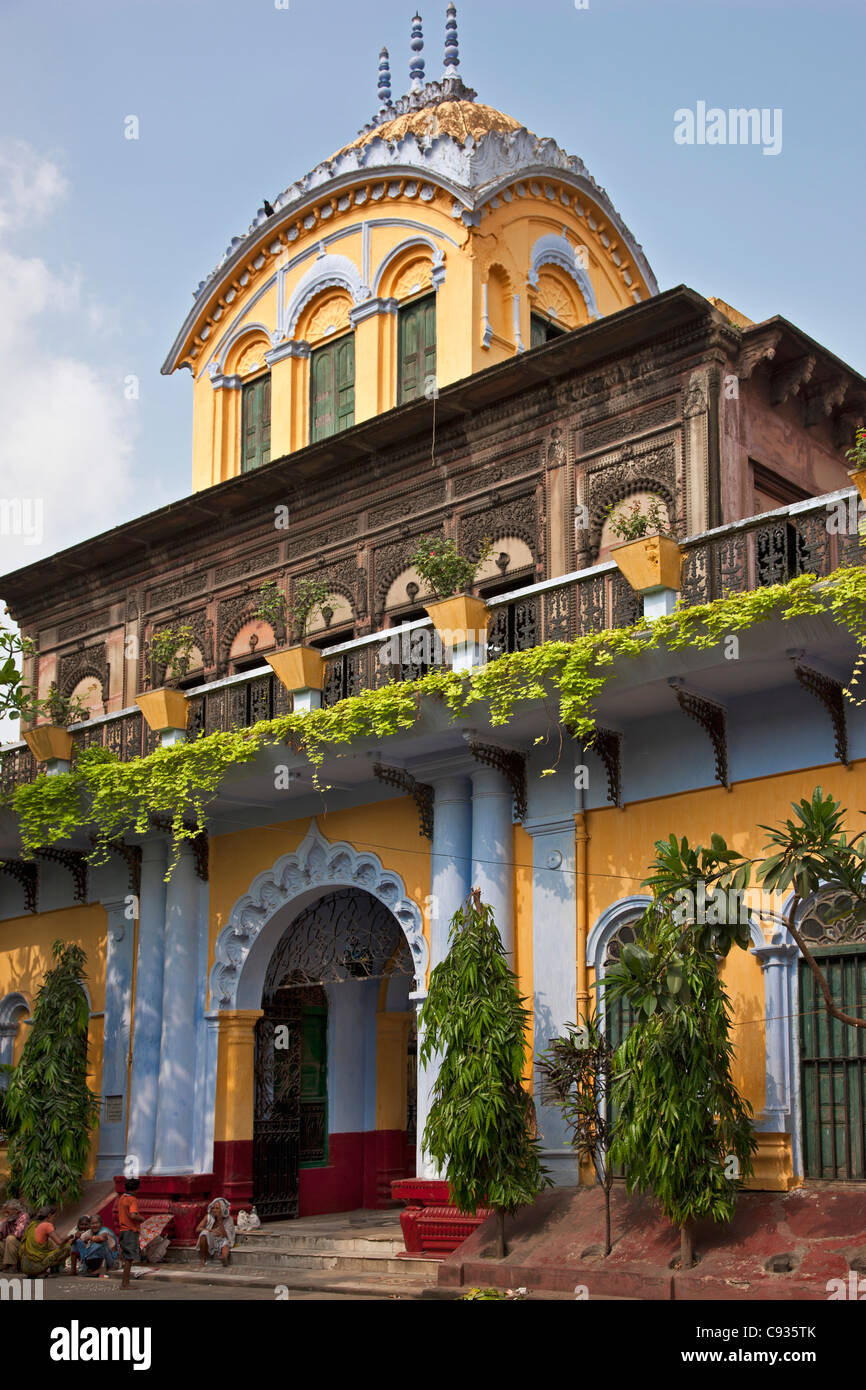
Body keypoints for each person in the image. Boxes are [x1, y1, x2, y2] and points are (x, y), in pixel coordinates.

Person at [19, 1206, 71, 1277]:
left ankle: (41, 1271)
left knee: (49, 1244)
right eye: (54, 1216)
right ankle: (41, 1271)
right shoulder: (47, 1225)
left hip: (25, 1267)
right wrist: (70, 1237)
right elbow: (59, 1242)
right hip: (35, 1267)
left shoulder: (32, 1224)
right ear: (49, 1215)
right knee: (67, 1247)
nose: (54, 1218)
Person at [117, 1177, 144, 1290]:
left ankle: (125, 1282)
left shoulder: (122, 1198)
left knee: (127, 1257)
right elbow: (133, 1215)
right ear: (136, 1189)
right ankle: (125, 1283)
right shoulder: (132, 1199)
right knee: (129, 1259)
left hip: (123, 1230)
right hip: (130, 1231)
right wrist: (141, 1218)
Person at [195, 1198, 235, 1268]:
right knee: (204, 1234)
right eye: (213, 1208)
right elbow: (198, 1229)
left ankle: (224, 1258)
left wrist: (220, 1221)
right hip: (210, 1238)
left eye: (217, 1208)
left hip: (221, 1238)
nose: (214, 1210)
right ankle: (203, 1259)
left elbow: (227, 1235)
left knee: (225, 1243)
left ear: (222, 1209)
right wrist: (210, 1230)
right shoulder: (208, 1217)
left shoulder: (229, 1219)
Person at [0, 1199, 30, 1271]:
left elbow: (19, 1234)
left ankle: (13, 1266)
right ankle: (3, 1265)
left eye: (8, 1212)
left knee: (10, 1238)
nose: (6, 1214)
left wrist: (5, 1220)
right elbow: (1, 1234)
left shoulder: (24, 1216)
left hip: (23, 1247)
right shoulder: (9, 1219)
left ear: (16, 1211)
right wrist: (3, 1222)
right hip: (12, 1247)